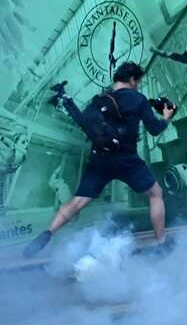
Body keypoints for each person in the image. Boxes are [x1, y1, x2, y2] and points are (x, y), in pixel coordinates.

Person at [23, 62, 176, 258]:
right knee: (156, 194)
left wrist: (66, 99)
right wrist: (166, 117)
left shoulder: (99, 100)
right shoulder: (138, 99)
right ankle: (161, 242)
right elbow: (154, 129)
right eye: (138, 81)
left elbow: (83, 122)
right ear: (133, 80)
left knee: (77, 202)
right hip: (127, 159)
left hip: (99, 158)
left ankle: (48, 232)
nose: (138, 85)